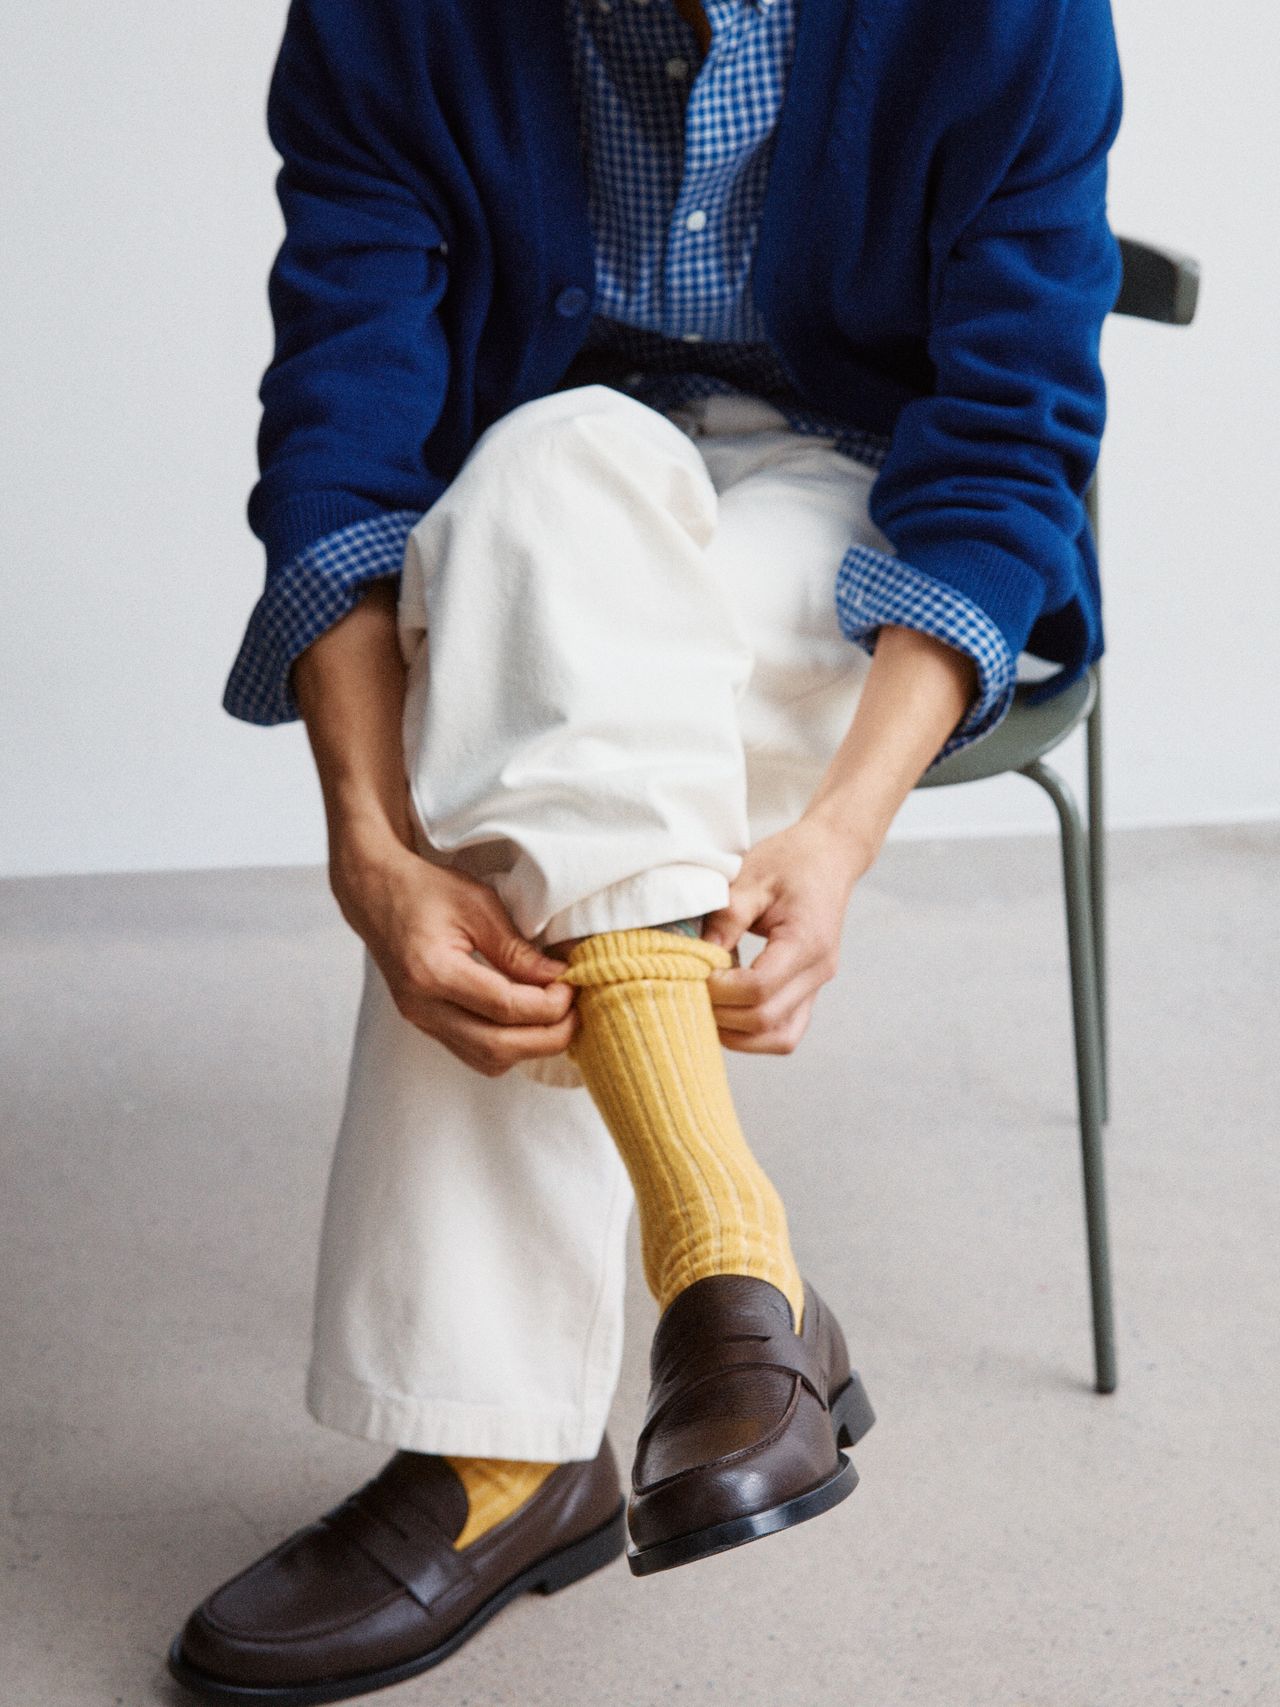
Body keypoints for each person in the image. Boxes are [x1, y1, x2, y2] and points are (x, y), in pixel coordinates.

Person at [168, 0, 1123, 1698]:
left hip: (872, 522)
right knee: (544, 496)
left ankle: (498, 1452)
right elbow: (342, 426)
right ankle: (736, 1268)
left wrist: (843, 832)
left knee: (531, 691)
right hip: (538, 499)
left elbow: (1008, 440)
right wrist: (369, 845)